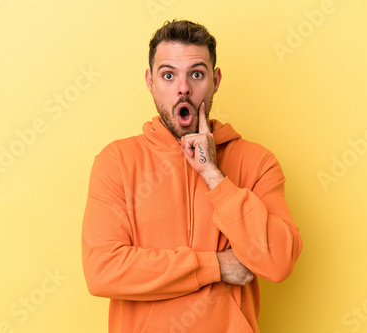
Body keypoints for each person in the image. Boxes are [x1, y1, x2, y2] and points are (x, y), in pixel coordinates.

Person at [82, 19, 303, 332]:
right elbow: (102, 270)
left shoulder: (257, 162)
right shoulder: (116, 162)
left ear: (215, 80)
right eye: (168, 75)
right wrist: (216, 265)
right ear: (150, 81)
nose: (183, 88)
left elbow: (279, 261)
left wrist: (213, 174)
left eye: (196, 74)